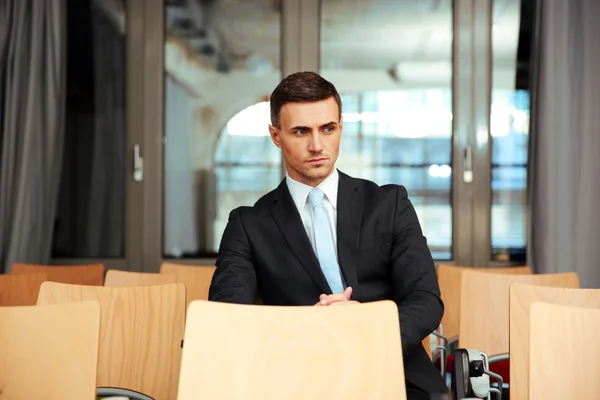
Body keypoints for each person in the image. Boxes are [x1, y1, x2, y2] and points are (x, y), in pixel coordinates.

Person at [209, 71, 447, 399]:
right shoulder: (247, 225)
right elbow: (227, 317)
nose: (317, 145)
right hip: (295, 376)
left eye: (328, 129)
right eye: (300, 132)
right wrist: (314, 333)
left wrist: (366, 329)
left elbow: (425, 300)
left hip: (392, 367)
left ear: (341, 127)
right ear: (275, 136)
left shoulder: (389, 204)